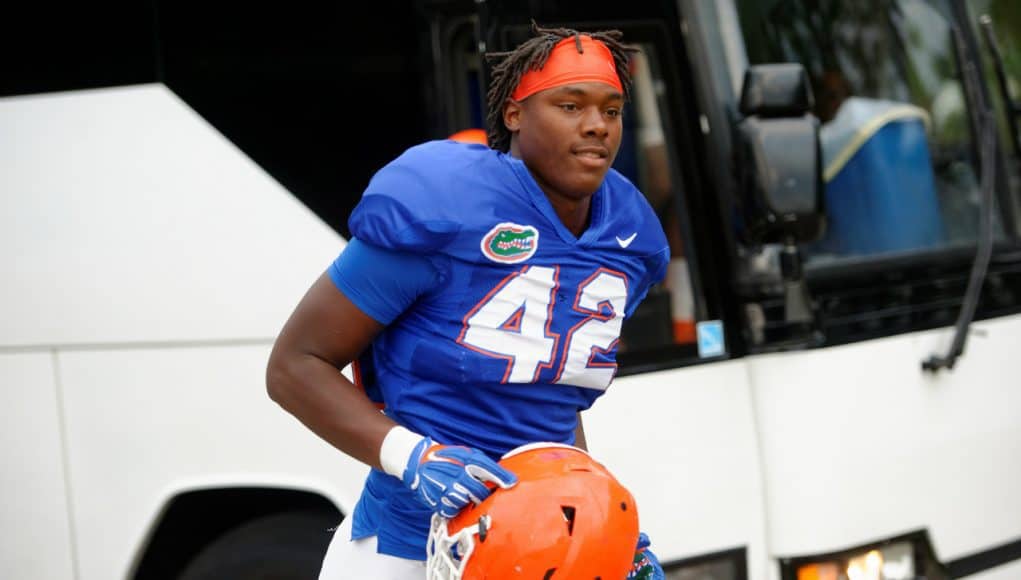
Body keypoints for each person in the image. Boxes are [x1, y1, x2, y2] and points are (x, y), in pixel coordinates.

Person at [266, 21, 669, 579]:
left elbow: (552, 400)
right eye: (570, 105)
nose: (597, 126)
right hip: (409, 545)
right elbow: (293, 366)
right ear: (514, 114)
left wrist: (594, 508)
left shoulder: (629, 235)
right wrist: (413, 458)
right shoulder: (446, 201)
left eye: (612, 109)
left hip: (533, 551)